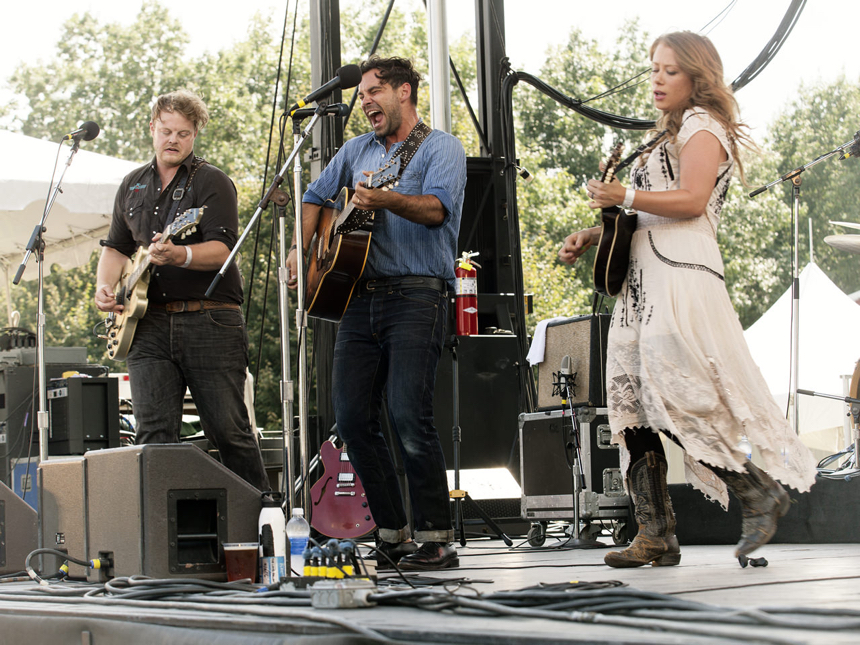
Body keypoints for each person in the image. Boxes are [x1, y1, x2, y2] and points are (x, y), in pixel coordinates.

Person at [559, 32, 817, 567]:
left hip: (681, 275)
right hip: (642, 278)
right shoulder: (661, 139)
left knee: (680, 395)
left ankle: (757, 491)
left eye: (669, 70)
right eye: (653, 69)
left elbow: (693, 200)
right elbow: (649, 211)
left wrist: (622, 195)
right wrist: (595, 231)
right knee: (631, 407)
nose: (656, 79)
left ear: (697, 77)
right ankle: (655, 532)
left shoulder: (705, 125)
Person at [288, 56, 467, 570]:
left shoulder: (441, 148)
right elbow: (315, 196)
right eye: (362, 94)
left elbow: (436, 209)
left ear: (404, 92)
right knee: (351, 417)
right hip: (356, 297)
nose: (364, 101)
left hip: (417, 294)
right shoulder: (354, 150)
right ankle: (392, 532)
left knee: (409, 414)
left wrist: (384, 199)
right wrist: (304, 250)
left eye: (373, 92)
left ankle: (435, 538)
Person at [94, 89, 268, 491]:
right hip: (146, 325)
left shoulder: (211, 182)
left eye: (183, 133)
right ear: (152, 127)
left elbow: (223, 249)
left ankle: (262, 526)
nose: (173, 139)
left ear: (194, 136)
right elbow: (117, 249)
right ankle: (163, 538)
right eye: (167, 130)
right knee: (153, 436)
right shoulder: (132, 185)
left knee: (229, 431)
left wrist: (180, 255)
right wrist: (106, 287)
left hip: (209, 318)